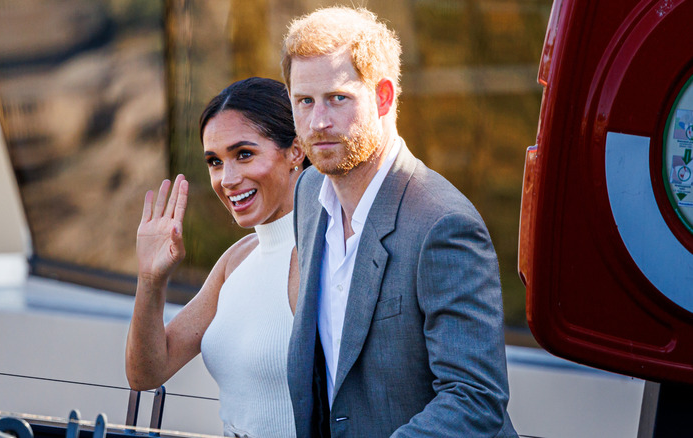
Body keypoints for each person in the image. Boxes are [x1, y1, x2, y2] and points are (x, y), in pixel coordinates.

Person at [282, 7, 517, 437]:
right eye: (304, 101)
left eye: (338, 98)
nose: (318, 122)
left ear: (384, 97)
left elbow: (475, 397)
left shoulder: (444, 225)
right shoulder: (308, 192)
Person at [125, 77, 306, 437]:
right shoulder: (236, 259)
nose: (228, 178)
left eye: (244, 154)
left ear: (295, 152)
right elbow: (146, 373)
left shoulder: (329, 252)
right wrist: (150, 280)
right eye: (215, 161)